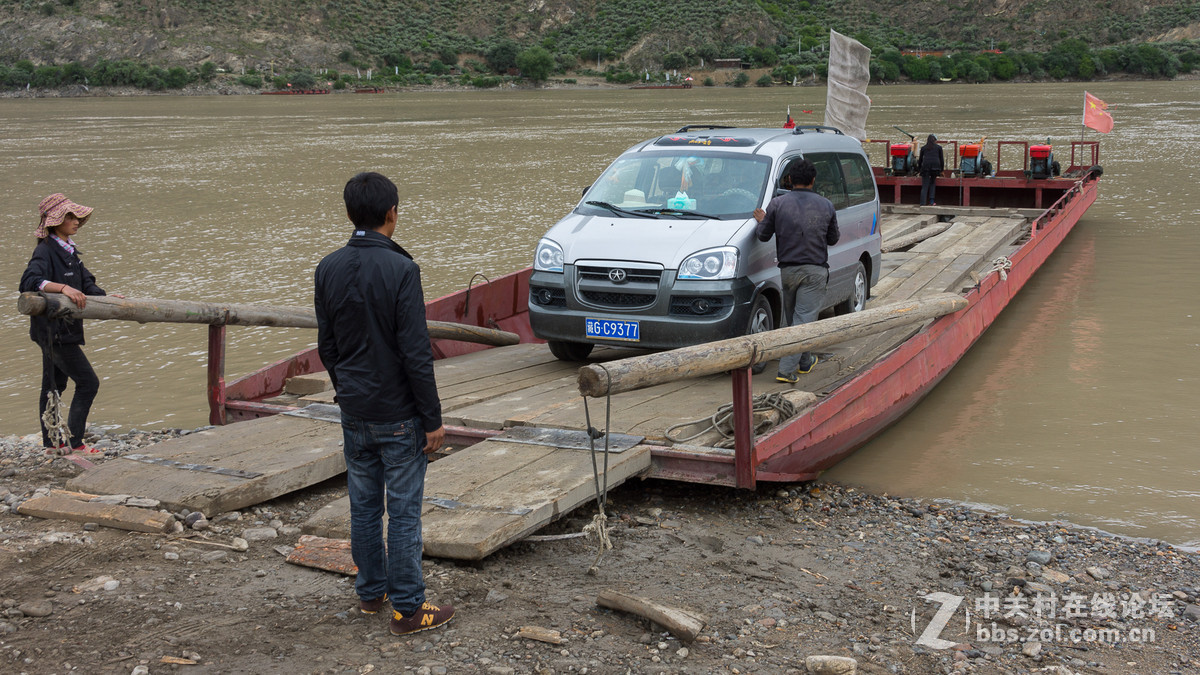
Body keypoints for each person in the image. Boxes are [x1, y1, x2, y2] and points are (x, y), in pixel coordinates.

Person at [314, 172, 454, 636]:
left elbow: (328, 345)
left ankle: (371, 593)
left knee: (364, 506)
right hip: (398, 415)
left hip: (354, 409)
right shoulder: (401, 270)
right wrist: (431, 419)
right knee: (405, 512)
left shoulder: (328, 267)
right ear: (393, 212)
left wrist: (346, 388)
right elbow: (416, 352)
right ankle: (410, 610)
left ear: (351, 213)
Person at [19, 194, 122, 456]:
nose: (76, 221)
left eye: (76, 216)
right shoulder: (44, 250)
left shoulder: (70, 251)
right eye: (69, 216)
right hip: (52, 332)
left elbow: (87, 285)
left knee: (53, 385)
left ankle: (52, 444)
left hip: (64, 331)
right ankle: (75, 444)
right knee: (89, 383)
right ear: (55, 222)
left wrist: (109, 298)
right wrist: (63, 287)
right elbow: (30, 281)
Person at [753, 159, 839, 383]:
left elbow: (763, 235)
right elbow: (833, 239)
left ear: (789, 180)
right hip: (814, 271)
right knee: (804, 320)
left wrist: (763, 221)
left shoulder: (777, 205)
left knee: (796, 319)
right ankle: (786, 370)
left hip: (788, 271)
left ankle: (804, 362)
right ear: (813, 180)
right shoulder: (826, 205)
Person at [918, 134, 944, 206]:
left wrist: (919, 169)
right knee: (932, 183)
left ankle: (922, 203)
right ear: (935, 140)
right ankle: (932, 202)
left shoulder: (924, 148)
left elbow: (920, 160)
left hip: (925, 167)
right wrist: (941, 169)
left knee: (925, 185)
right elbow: (941, 160)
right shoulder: (939, 148)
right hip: (935, 167)